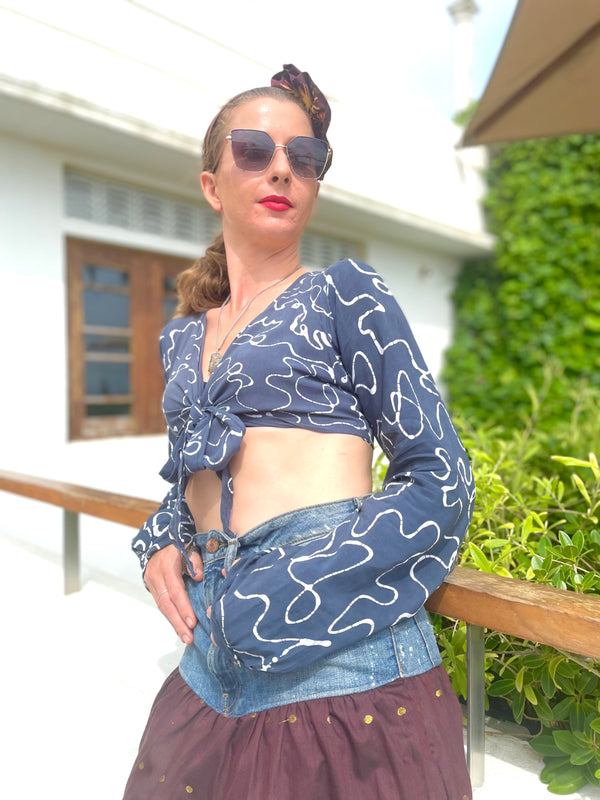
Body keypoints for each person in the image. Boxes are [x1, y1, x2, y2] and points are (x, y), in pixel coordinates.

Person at [124, 64, 474, 800]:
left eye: (305, 158)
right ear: (212, 185)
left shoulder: (345, 294)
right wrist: (160, 539)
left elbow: (439, 475)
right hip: (209, 671)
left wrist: (301, 580)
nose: (282, 167)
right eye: (254, 150)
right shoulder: (181, 338)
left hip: (344, 671)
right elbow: (190, 481)